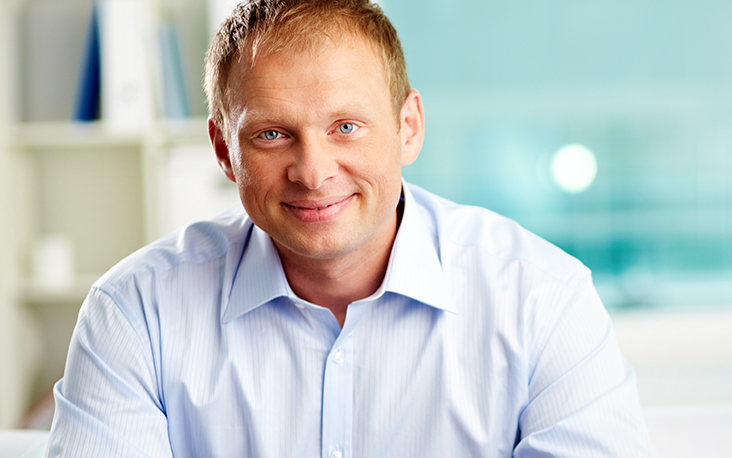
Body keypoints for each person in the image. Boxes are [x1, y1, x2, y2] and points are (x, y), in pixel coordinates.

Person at [44, 0, 657, 456]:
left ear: (408, 128)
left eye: (346, 127)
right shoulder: (135, 312)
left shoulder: (543, 299)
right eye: (272, 134)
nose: (313, 172)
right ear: (224, 151)